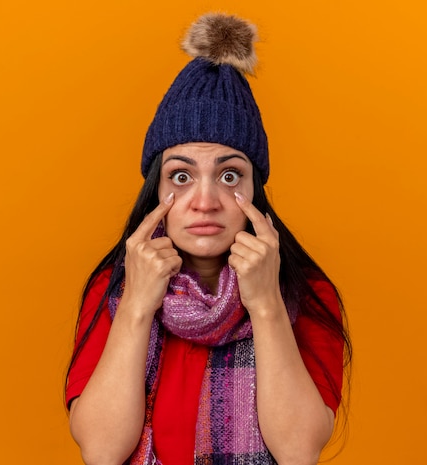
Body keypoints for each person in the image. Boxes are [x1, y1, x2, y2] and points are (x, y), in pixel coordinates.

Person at [65, 12, 351, 465]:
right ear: (155, 191)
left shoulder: (306, 295)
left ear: (255, 188)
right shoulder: (114, 290)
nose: (205, 200)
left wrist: (266, 305)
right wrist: (138, 304)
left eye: (230, 175)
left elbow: (299, 451)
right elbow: (101, 451)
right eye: (180, 175)